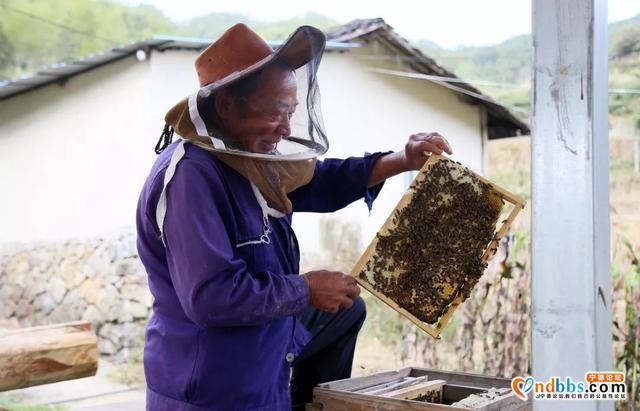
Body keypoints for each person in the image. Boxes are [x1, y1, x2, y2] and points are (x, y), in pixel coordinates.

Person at [136, 23, 452, 411]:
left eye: (291, 112)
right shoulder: (191, 177)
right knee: (323, 304)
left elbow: (322, 181)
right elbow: (211, 296)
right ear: (226, 106)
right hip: (212, 387)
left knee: (346, 310)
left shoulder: (249, 159)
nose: (286, 128)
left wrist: (403, 160)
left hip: (260, 364)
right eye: (277, 111)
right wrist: (306, 289)